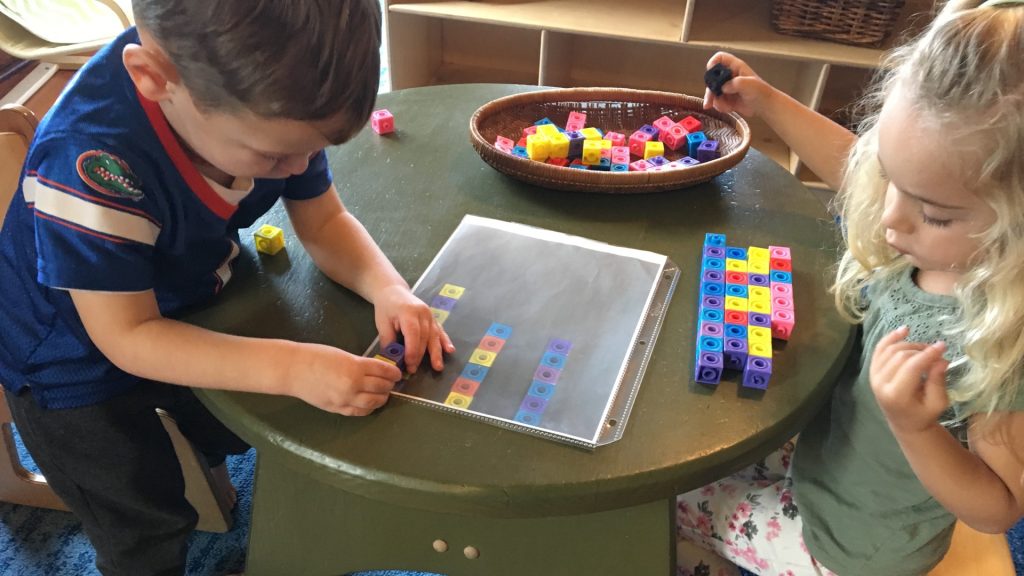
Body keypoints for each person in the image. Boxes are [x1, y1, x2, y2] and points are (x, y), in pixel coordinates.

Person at [0, 1, 454, 574]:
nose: (297, 167)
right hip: (70, 358)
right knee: (141, 517)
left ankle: (209, 469)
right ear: (152, 79)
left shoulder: (269, 106)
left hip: (181, 293)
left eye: (313, 149)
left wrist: (389, 289)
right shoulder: (90, 163)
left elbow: (325, 221)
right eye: (273, 154)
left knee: (228, 421)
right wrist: (293, 368)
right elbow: (128, 337)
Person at [676, 0, 1024, 574]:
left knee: (667, 501)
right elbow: (857, 169)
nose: (890, 219)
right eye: (892, 178)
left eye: (934, 213)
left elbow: (1000, 507)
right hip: (821, 450)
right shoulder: (932, 234)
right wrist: (766, 100)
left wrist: (916, 426)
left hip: (850, 543)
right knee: (704, 445)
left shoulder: (999, 339)